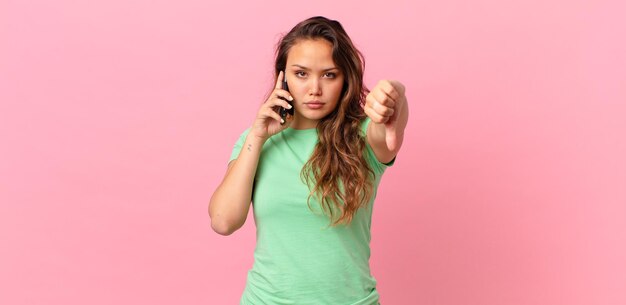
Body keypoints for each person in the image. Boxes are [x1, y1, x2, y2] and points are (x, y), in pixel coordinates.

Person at [209, 16, 409, 305]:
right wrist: (257, 135)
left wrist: (394, 94)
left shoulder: (363, 136)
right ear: (283, 76)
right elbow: (223, 221)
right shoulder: (256, 142)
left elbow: (392, 124)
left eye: (329, 74)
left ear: (346, 79)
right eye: (301, 73)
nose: (315, 88)